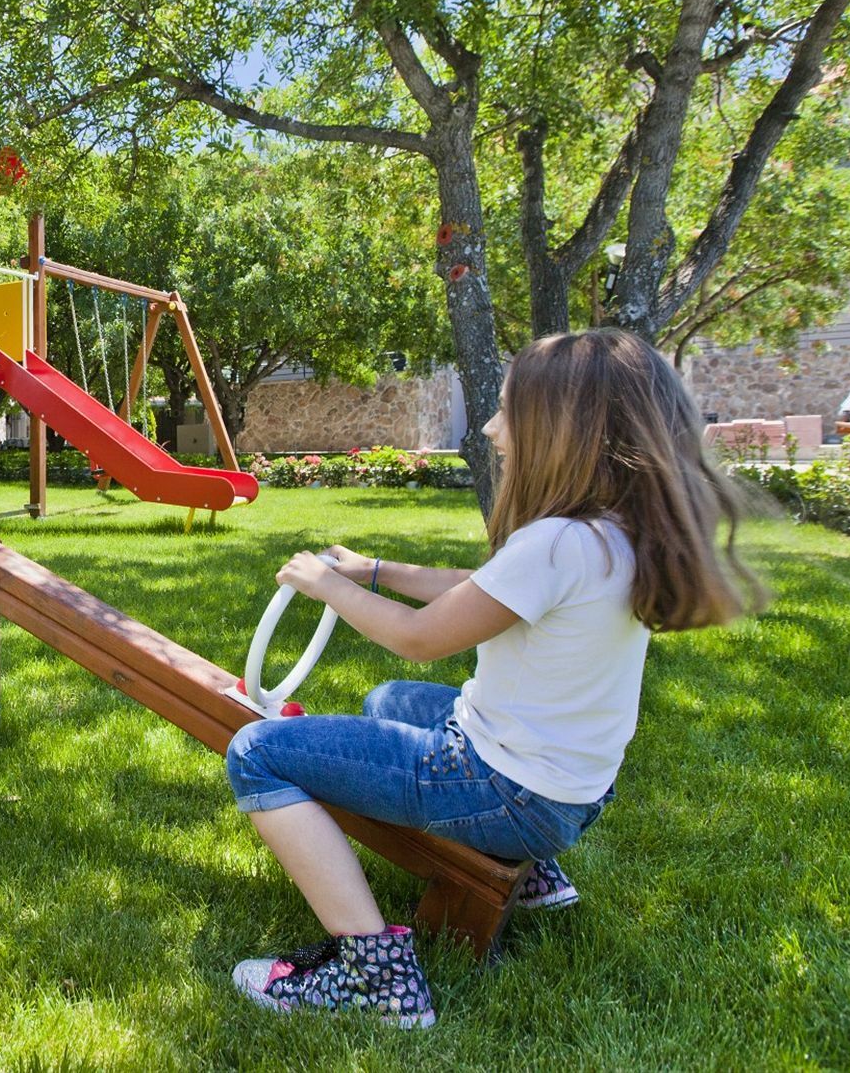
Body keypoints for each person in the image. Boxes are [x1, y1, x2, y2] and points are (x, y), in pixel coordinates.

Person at [223, 329, 763, 1029]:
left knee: (257, 751)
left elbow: (418, 638)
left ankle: (375, 978)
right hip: (571, 790)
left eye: (506, 411)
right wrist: (375, 570)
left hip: (504, 789)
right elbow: (481, 587)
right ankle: (534, 871)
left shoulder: (555, 541)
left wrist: (326, 585)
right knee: (390, 700)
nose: (489, 427)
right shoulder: (609, 532)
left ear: (559, 428)